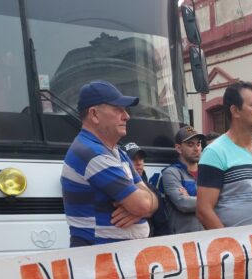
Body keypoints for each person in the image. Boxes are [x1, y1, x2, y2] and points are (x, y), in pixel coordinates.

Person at [62, 81, 158, 246]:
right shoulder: (93, 154)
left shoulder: (117, 152)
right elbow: (143, 204)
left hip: (113, 258)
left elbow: (149, 203)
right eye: (118, 109)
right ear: (94, 115)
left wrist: (142, 210)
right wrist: (143, 207)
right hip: (98, 258)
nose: (126, 116)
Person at [197, 81, 252, 229]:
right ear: (235, 111)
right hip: (237, 249)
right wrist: (230, 244)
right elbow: (204, 210)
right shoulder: (214, 152)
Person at [159, 126, 206, 234]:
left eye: (198, 144)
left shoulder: (207, 172)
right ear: (178, 148)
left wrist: (191, 198)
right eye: (190, 144)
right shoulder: (171, 173)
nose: (196, 148)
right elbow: (184, 204)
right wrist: (211, 200)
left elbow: (225, 198)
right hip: (182, 241)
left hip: (206, 239)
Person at [124, 142, 170, 237]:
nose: (139, 163)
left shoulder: (153, 191)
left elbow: (162, 227)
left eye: (141, 158)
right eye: (133, 159)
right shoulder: (112, 189)